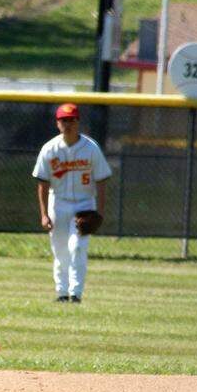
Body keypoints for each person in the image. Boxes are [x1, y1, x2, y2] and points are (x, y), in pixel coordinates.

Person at [32, 103, 112, 303]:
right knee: (60, 250)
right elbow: (42, 183)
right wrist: (43, 214)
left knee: (77, 247)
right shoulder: (50, 149)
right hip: (58, 202)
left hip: (85, 203)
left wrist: (100, 212)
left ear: (78, 122)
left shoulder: (90, 148)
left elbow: (101, 180)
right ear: (57, 123)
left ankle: (75, 293)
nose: (68, 124)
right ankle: (61, 293)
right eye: (63, 120)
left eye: (72, 120)